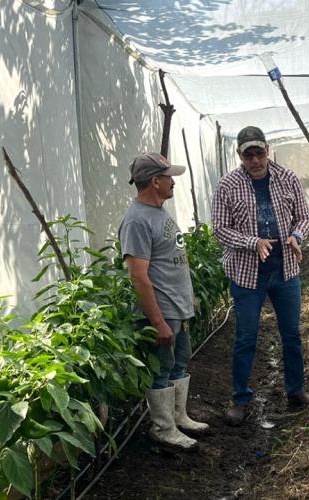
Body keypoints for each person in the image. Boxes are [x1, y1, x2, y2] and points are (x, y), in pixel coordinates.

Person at [212, 126, 309, 426]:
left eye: (259, 153)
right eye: (249, 155)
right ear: (240, 156)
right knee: (246, 337)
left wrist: (297, 236)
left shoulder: (287, 178)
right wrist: (253, 242)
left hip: (285, 270)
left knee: (292, 335)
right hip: (248, 275)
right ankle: (240, 399)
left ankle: (296, 390)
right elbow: (219, 229)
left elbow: (304, 216)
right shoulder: (227, 185)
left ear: (267, 151)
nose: (256, 160)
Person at [119, 153, 209, 449]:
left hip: (176, 308)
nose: (173, 182)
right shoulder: (136, 221)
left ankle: (178, 418)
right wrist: (157, 321)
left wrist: (187, 299)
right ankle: (163, 427)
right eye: (169, 177)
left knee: (179, 363)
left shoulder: (159, 212)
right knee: (160, 370)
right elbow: (139, 277)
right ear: (155, 181)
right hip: (161, 312)